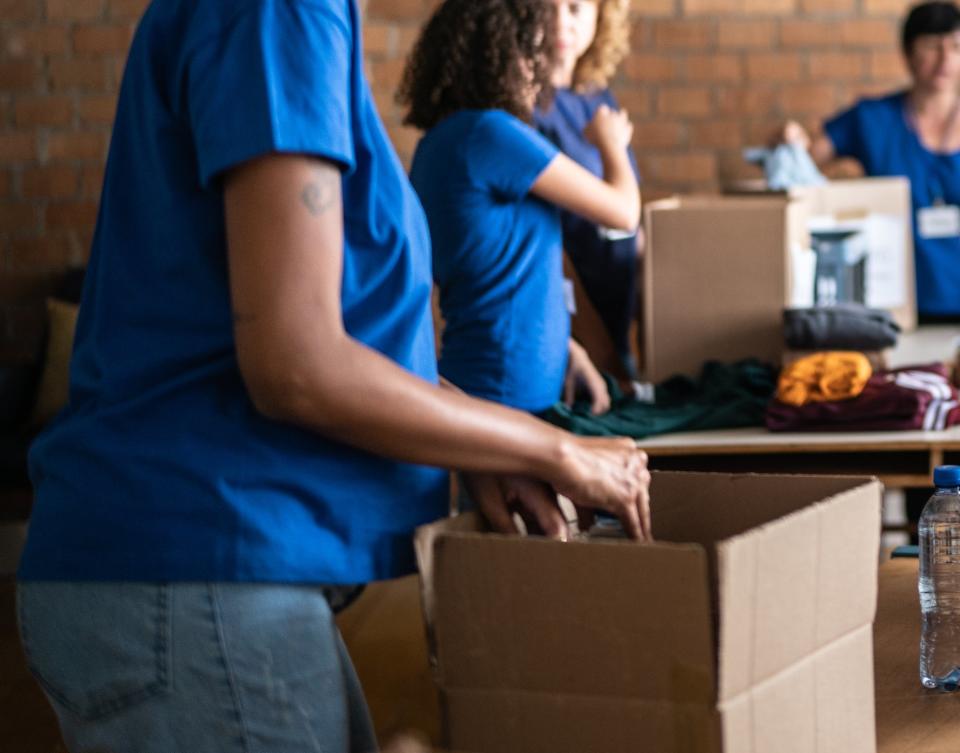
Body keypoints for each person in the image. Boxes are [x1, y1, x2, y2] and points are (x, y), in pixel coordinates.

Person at [14, 1, 651, 751]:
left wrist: (496, 446)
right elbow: (297, 365)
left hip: (209, 577)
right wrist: (553, 450)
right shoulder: (281, 12)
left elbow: (344, 345)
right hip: (196, 560)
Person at [402, 0, 640, 420]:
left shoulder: (443, 140)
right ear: (502, 57)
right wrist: (612, 144)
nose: (543, 71)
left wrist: (567, 347)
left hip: (497, 376)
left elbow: (501, 275)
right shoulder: (492, 133)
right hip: (506, 392)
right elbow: (623, 211)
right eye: (534, 55)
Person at [784, 0, 960, 321]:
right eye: (932, 46)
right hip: (895, 309)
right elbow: (803, 165)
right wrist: (789, 141)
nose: (945, 58)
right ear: (908, 53)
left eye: (956, 46)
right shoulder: (872, 119)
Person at [534, 0, 642, 377]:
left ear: (600, 16)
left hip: (617, 307)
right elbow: (548, 248)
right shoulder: (528, 107)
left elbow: (629, 215)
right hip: (574, 326)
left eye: (575, 8)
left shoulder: (596, 98)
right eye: (546, 8)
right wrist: (598, 349)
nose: (561, 23)